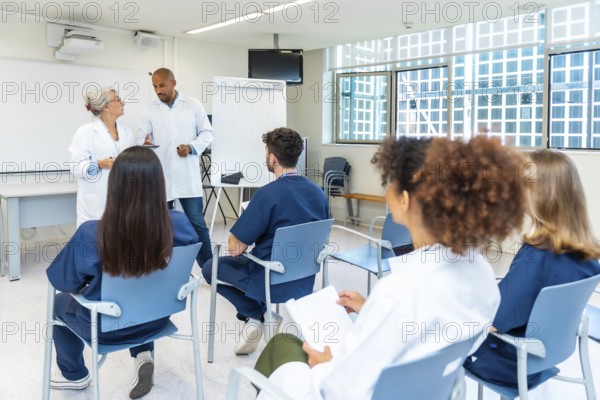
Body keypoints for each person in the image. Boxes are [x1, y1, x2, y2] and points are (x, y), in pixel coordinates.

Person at [252, 136, 529, 400]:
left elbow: (338, 390)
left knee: (283, 344)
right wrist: (371, 308)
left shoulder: (398, 290)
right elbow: (428, 332)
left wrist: (325, 363)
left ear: (406, 199)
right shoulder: (479, 270)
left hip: (345, 392)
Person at [47, 146, 200, 399]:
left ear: (115, 184)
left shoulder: (92, 233)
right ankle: (142, 353)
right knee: (141, 289)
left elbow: (62, 281)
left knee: (57, 302)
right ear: (158, 182)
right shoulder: (180, 224)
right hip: (157, 318)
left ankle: (75, 376)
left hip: (107, 329)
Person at [464, 149, 600, 388]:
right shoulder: (588, 257)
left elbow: (494, 321)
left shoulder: (536, 256)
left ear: (542, 195)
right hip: (545, 359)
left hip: (509, 362)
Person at [201, 127, 329, 355]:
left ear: (272, 157)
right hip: (304, 278)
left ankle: (258, 313)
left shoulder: (267, 194)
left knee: (210, 267)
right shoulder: (318, 192)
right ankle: (259, 316)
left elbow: (235, 247)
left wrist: (250, 223)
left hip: (269, 278)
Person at [141, 67, 213, 266]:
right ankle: (162, 267)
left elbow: (207, 133)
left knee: (197, 223)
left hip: (186, 175)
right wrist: (144, 141)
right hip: (160, 175)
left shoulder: (192, 105)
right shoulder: (149, 109)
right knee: (159, 225)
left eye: (162, 85)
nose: (158, 90)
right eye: (154, 86)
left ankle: (210, 269)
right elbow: (142, 136)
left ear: (173, 83)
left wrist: (191, 147)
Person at [69, 87, 136, 226]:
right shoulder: (85, 132)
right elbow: (75, 167)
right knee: (96, 242)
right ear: (106, 107)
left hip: (124, 197)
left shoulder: (127, 131)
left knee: (121, 240)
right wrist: (99, 164)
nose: (122, 103)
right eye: (117, 99)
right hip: (97, 202)